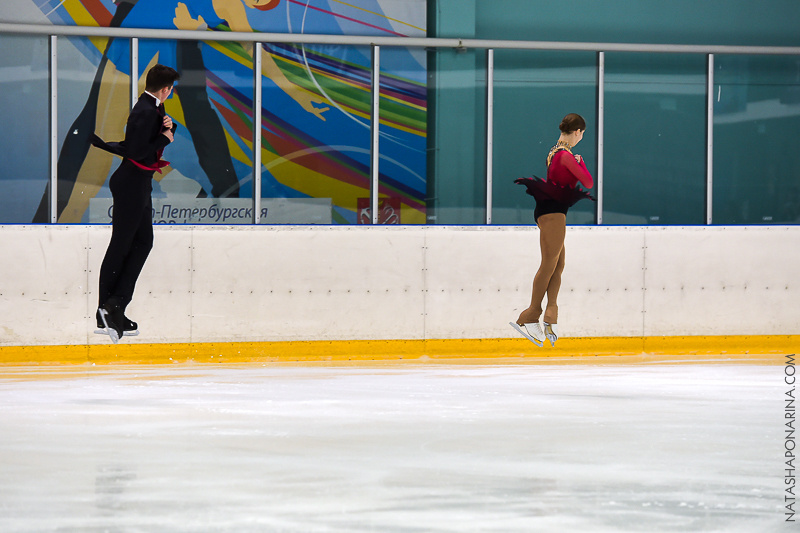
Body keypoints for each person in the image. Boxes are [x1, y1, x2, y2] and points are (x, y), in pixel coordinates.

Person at [94, 64, 181, 343]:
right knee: (121, 244)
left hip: (139, 183)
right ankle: (108, 309)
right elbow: (136, 150)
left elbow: (146, 140)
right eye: (171, 89)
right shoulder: (144, 110)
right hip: (131, 183)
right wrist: (164, 137)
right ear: (166, 89)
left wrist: (169, 127)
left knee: (143, 242)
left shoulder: (152, 107)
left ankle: (115, 306)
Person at [510, 113, 595, 347]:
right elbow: (588, 182)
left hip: (552, 211)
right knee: (549, 264)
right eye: (582, 134)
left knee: (558, 264)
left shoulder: (555, 151)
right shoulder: (565, 156)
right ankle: (530, 315)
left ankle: (550, 312)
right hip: (552, 213)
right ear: (577, 131)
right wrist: (581, 162)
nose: (581, 138)